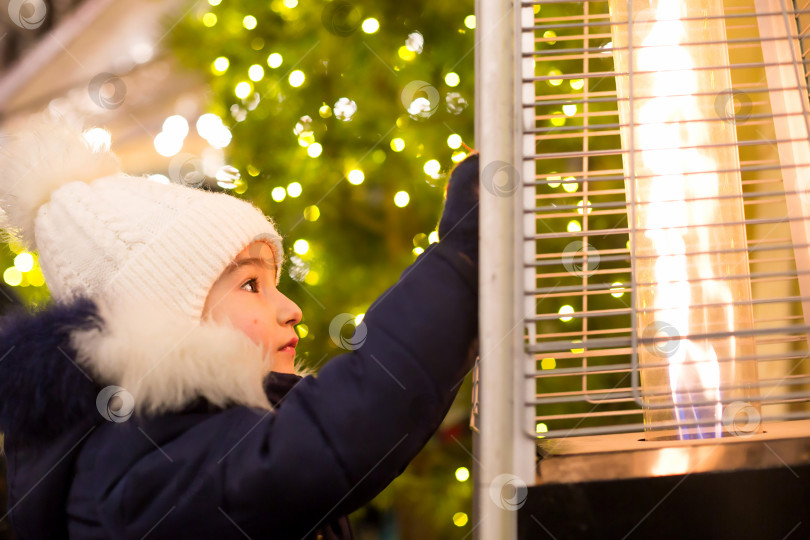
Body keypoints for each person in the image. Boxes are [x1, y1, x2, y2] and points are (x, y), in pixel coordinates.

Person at [0, 111, 480, 539]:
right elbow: (342, 428)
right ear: (164, 318)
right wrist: (461, 258)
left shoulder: (202, 435)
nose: (292, 308)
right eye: (251, 285)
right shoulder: (138, 473)